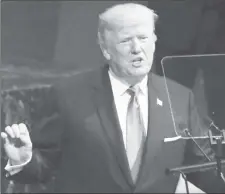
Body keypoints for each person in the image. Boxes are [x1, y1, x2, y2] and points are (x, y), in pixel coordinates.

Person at [1, 3, 224, 193]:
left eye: (144, 38)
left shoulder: (180, 97)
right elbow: (44, 165)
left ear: (155, 41)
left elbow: (203, 171)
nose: (137, 49)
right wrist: (23, 161)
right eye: (126, 40)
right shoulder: (68, 95)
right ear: (106, 49)